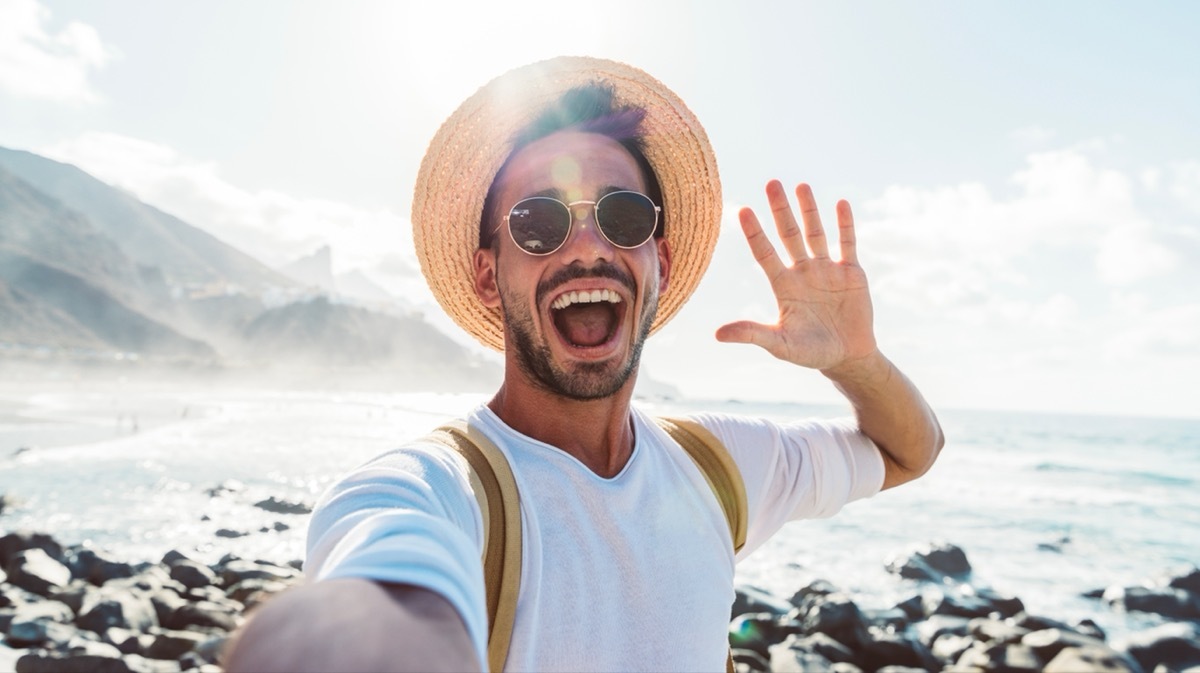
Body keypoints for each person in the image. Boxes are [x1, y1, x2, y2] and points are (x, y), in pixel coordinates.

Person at [224, 57, 943, 673]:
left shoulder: (718, 467)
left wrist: (858, 363)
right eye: (539, 222)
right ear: (487, 275)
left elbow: (908, 451)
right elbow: (374, 590)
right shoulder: (437, 489)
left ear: (659, 260)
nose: (588, 246)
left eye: (623, 217)